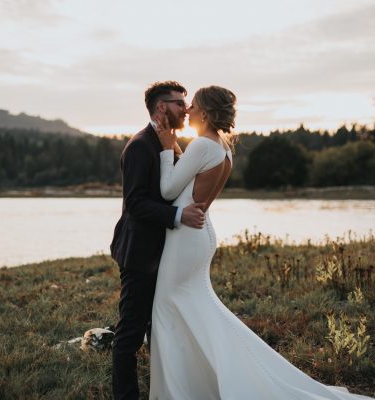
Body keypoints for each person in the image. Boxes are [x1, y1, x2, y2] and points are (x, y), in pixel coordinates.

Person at [149, 85, 374, 399]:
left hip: (187, 237)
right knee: (196, 309)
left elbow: (169, 191)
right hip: (200, 233)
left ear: (205, 111)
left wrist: (165, 148)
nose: (187, 111)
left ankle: (180, 390)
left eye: (193, 105)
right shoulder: (222, 146)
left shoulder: (202, 144)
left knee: (166, 309)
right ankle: (202, 381)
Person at [110, 81, 206, 400]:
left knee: (160, 328)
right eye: (180, 103)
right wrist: (179, 217)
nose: (186, 108)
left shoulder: (169, 142)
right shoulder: (140, 145)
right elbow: (135, 203)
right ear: (161, 107)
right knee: (130, 334)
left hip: (163, 253)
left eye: (186, 101)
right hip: (140, 253)